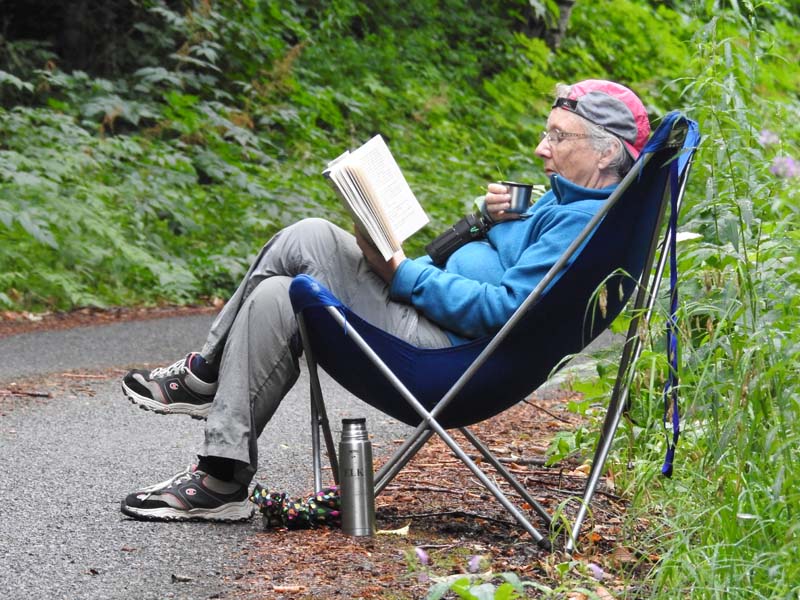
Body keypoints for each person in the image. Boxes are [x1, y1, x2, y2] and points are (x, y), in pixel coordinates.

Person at [119, 79, 651, 522]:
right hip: (432, 328)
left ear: (606, 151)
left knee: (309, 236)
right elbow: (502, 267)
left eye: (558, 136)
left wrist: (401, 270)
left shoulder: (583, 224)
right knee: (277, 295)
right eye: (545, 132)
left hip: (448, 359)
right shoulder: (560, 202)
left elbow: (502, 311)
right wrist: (488, 220)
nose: (541, 148)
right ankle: (220, 477)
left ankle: (202, 376)